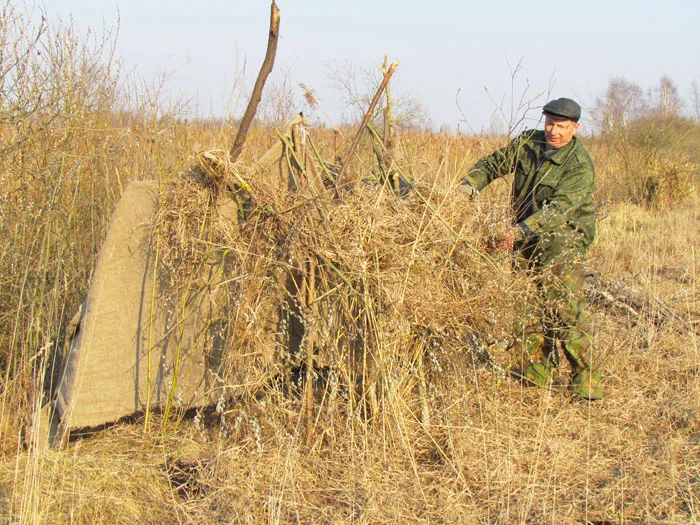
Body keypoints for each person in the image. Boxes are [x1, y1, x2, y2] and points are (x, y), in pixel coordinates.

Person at [459, 97, 603, 400]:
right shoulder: (528, 144)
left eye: (562, 127)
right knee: (527, 305)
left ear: (575, 128)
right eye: (550, 124)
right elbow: (493, 163)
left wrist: (518, 231)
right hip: (526, 235)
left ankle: (586, 384)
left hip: (564, 238)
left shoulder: (579, 165)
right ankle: (534, 371)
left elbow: (560, 210)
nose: (554, 131)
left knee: (565, 312)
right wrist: (468, 187)